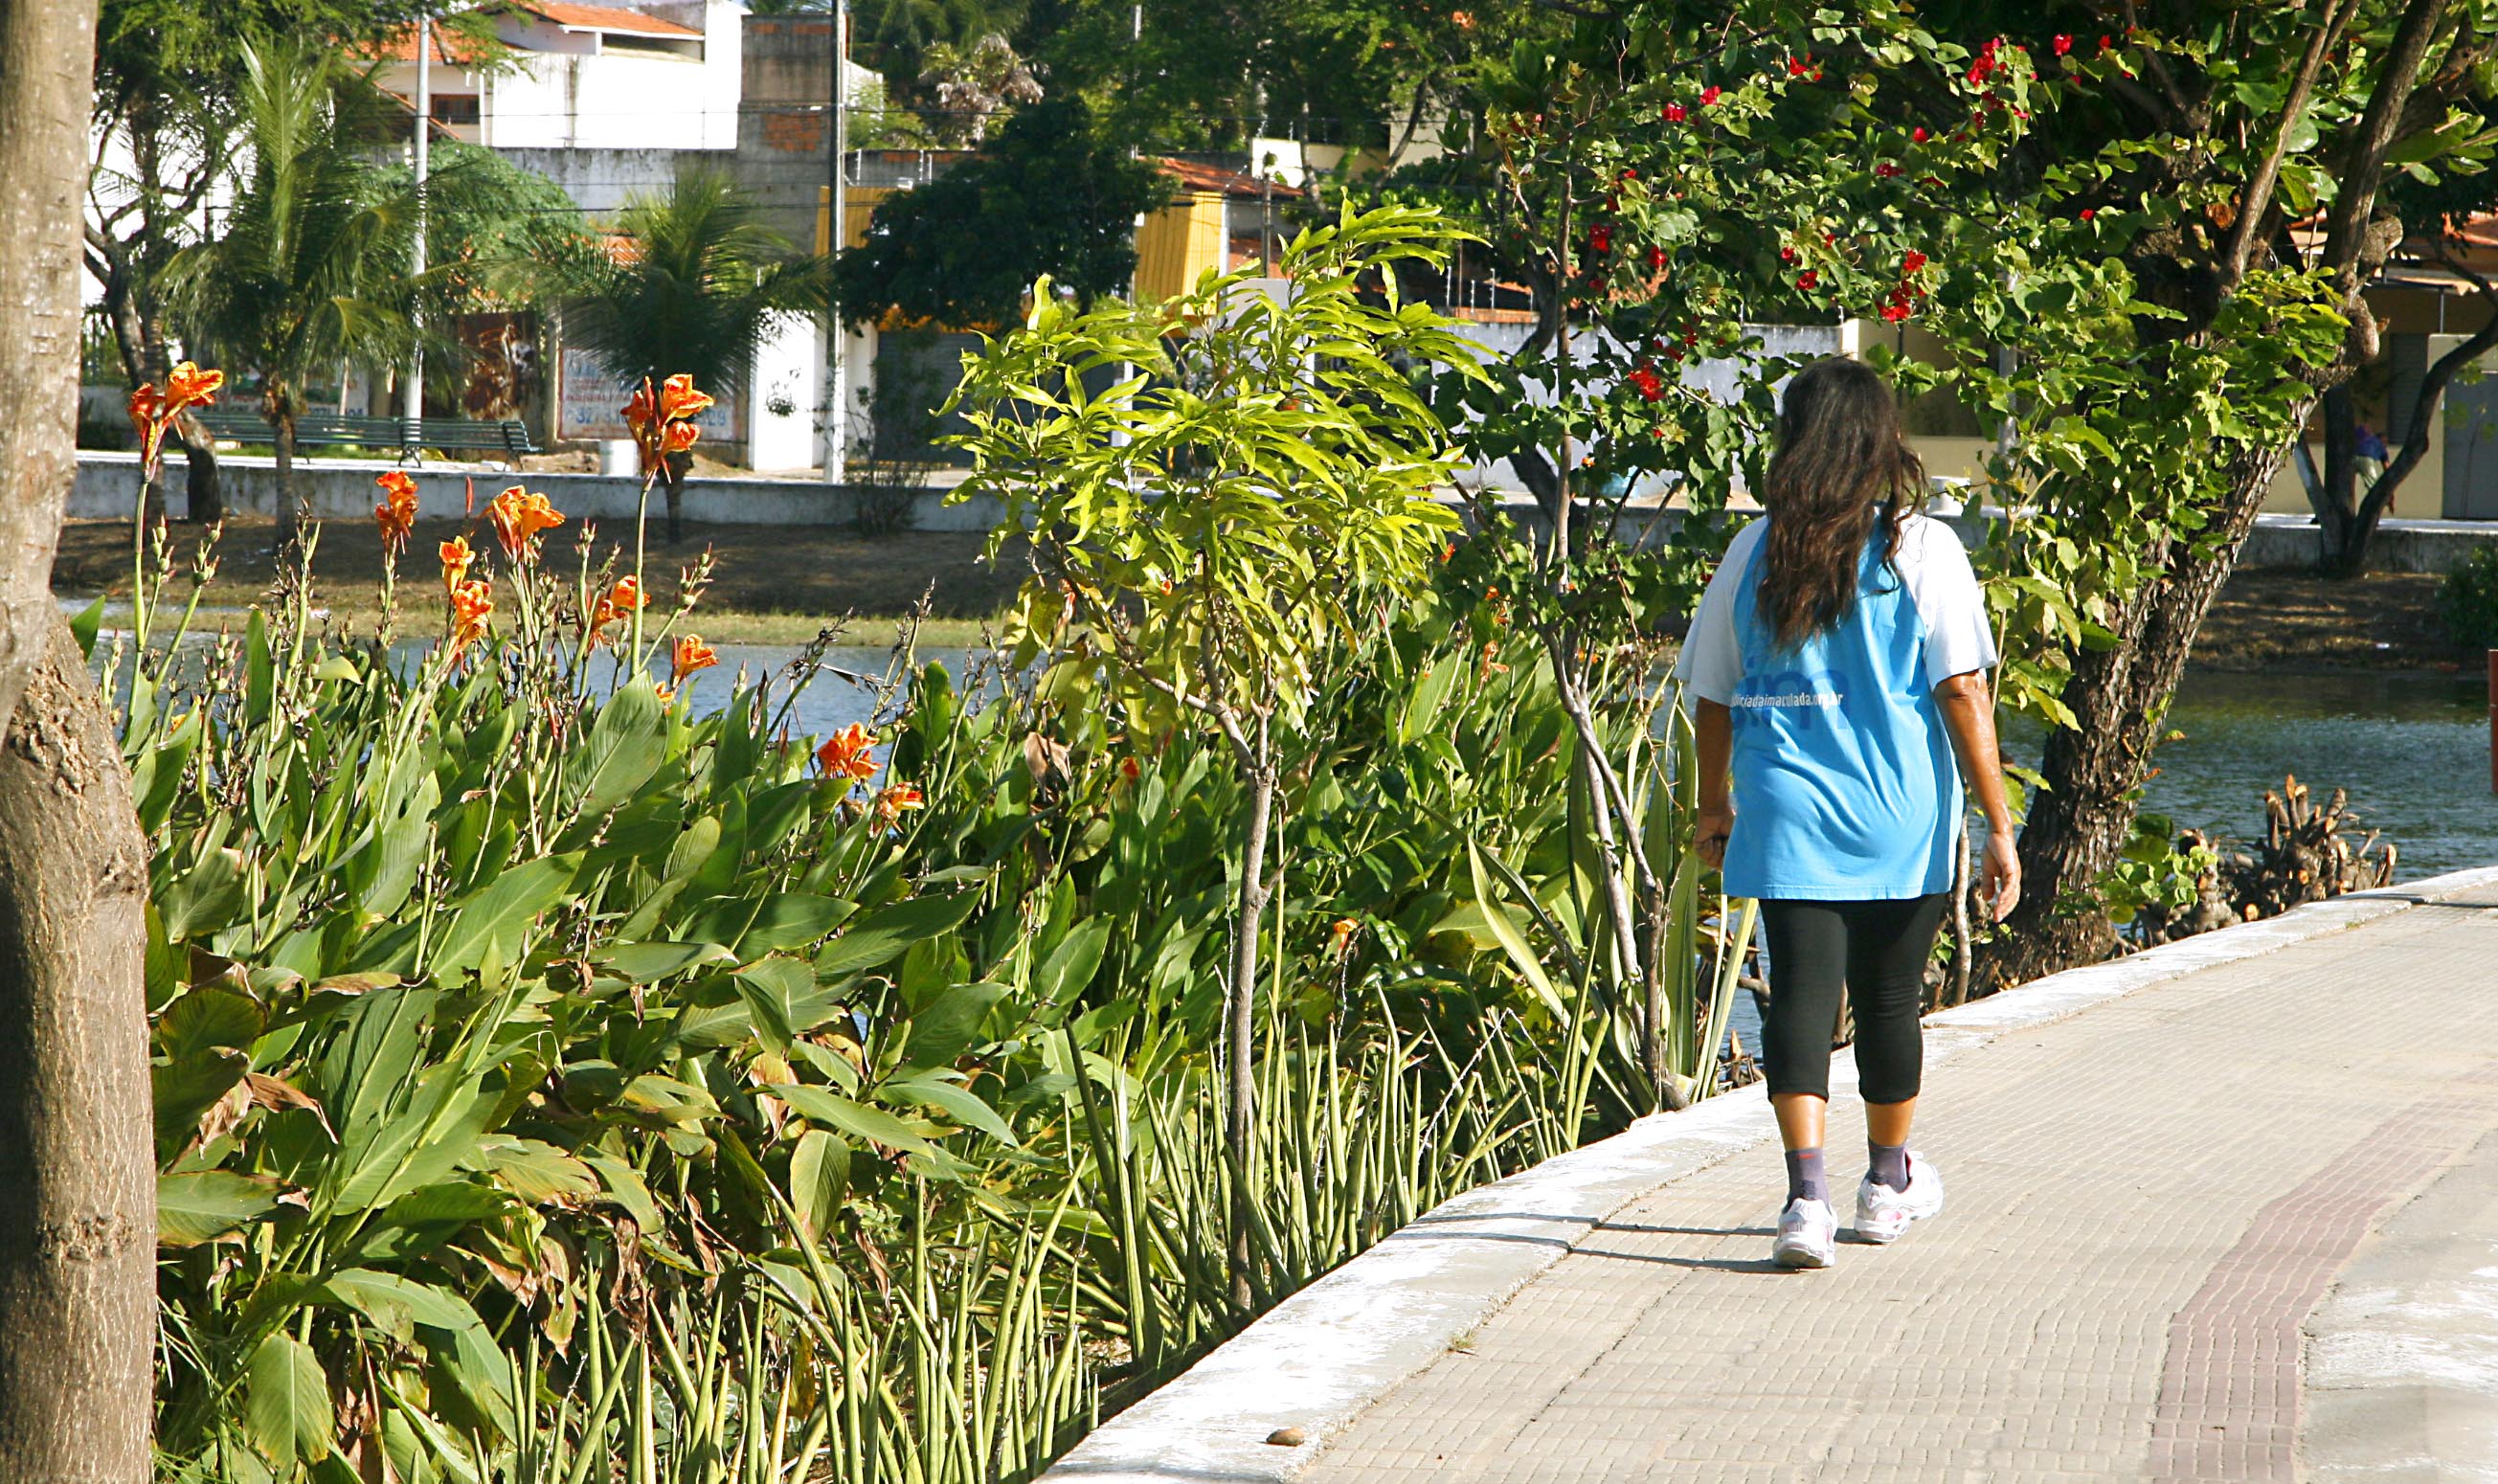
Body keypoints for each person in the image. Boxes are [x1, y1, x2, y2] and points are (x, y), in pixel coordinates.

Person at [1676, 357, 2019, 1270]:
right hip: (1899, 812)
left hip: (1785, 808)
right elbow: (1960, 691)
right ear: (1881, 442)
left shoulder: (1754, 551)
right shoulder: (1922, 548)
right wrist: (1998, 821)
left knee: (1799, 994)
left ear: (1794, 439)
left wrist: (1713, 808)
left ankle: (1803, 1203)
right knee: (1890, 998)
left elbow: (1712, 695)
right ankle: (1884, 1185)